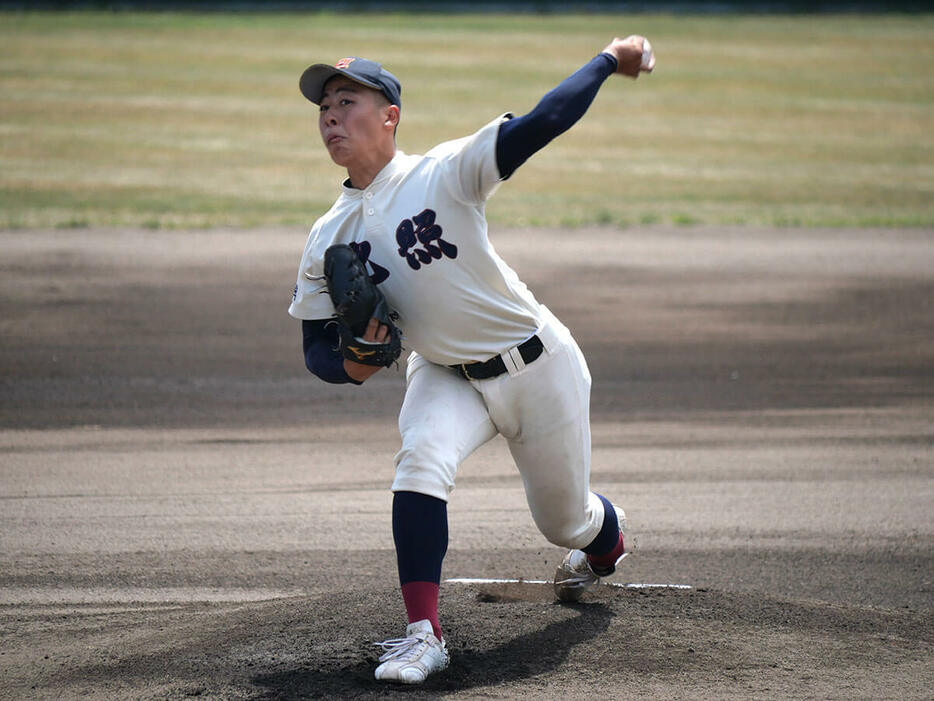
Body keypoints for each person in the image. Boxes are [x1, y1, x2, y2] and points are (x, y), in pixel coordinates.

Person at [288, 37, 655, 684]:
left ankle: (607, 538)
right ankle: (423, 635)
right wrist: (356, 365)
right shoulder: (328, 236)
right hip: (442, 372)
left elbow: (540, 123)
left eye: (346, 102)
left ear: (390, 115)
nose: (330, 117)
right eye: (323, 108)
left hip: (538, 367)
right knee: (420, 461)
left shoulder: (445, 172)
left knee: (564, 521)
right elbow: (318, 349)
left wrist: (605, 62)